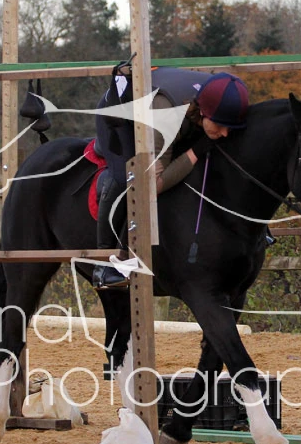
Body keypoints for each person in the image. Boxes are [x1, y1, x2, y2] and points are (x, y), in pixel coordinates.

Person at [92, 68, 250, 289]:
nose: (225, 133)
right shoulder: (167, 115)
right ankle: (104, 266)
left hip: (169, 110)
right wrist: (196, 151)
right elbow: (152, 185)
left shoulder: (222, 99)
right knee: (126, 178)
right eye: (221, 125)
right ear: (203, 113)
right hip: (120, 117)